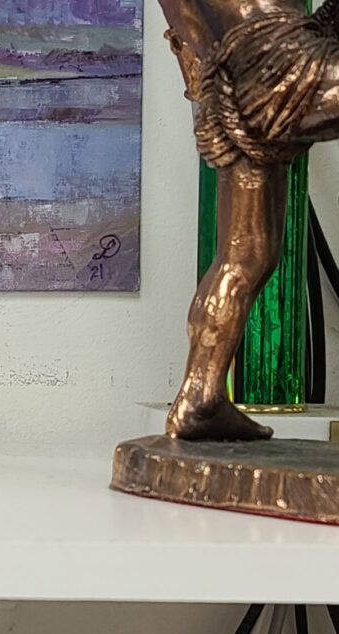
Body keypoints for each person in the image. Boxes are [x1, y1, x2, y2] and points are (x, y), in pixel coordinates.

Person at [158, 0, 339, 439]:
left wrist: (215, 77)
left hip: (239, 71)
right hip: (274, 55)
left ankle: (200, 397)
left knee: (247, 255)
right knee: (245, 255)